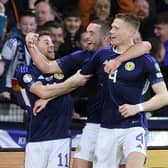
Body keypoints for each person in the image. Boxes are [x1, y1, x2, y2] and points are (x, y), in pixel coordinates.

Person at [25, 19, 151, 168]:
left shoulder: (128, 54)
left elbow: (145, 45)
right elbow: (52, 70)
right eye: (86, 32)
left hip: (124, 122)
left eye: (92, 33)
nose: (86, 36)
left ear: (106, 37)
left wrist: (118, 60)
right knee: (79, 165)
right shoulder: (84, 56)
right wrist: (31, 46)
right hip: (94, 122)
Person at [80, 13, 168, 168]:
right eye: (111, 27)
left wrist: (138, 108)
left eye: (116, 28)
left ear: (130, 33)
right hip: (106, 128)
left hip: (133, 127)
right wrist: (49, 93)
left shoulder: (146, 61)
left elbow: (164, 96)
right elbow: (80, 78)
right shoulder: (102, 54)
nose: (111, 31)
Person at [16, 30, 90, 168]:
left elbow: (81, 78)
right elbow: (42, 91)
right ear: (34, 47)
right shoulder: (24, 70)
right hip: (37, 138)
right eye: (46, 42)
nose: (51, 45)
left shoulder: (61, 69)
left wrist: (50, 97)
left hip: (61, 139)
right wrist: (59, 90)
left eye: (51, 42)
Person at [0, 10, 37, 106]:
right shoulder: (12, 42)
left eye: (31, 24)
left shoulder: (37, 43)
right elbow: (3, 65)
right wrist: (3, 89)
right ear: (18, 25)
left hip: (28, 86)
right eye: (24, 24)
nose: (28, 27)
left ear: (36, 26)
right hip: (10, 87)